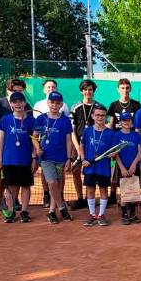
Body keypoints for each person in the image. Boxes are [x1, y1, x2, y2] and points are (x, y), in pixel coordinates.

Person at [0, 78, 32, 211]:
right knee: (0, 172)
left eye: (20, 91)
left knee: (18, 179)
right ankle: (1, 197)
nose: (17, 93)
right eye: (14, 90)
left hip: (21, 152)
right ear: (9, 90)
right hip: (3, 148)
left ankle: (14, 201)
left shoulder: (26, 106)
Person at [32, 91, 73, 224]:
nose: (54, 105)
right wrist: (37, 148)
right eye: (52, 102)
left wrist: (69, 158)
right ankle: (61, 207)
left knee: (58, 186)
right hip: (46, 157)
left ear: (61, 104)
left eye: (57, 103)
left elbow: (68, 140)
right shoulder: (41, 118)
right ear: (48, 103)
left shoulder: (66, 120)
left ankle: (51, 212)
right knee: (52, 182)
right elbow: (34, 136)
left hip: (61, 157)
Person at [0, 91, 37, 223]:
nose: (18, 104)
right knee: (11, 186)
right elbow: (1, 140)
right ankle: (11, 210)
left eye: (20, 101)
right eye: (14, 101)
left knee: (25, 186)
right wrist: (0, 159)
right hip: (9, 159)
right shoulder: (5, 120)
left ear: (24, 103)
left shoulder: (32, 121)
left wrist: (34, 158)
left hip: (25, 160)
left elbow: (34, 141)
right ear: (11, 104)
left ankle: (24, 211)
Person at [69, 80, 103, 210]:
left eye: (90, 90)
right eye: (86, 90)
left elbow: (101, 126)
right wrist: (78, 148)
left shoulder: (99, 107)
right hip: (77, 143)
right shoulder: (75, 107)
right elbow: (72, 130)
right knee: (76, 171)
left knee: (95, 171)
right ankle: (80, 198)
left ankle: (94, 198)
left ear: (93, 91)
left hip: (93, 145)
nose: (88, 92)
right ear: (82, 91)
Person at [79, 105, 114, 227]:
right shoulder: (88, 130)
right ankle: (92, 214)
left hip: (103, 168)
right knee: (90, 189)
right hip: (89, 167)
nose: (100, 117)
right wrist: (83, 159)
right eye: (97, 115)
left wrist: (113, 154)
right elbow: (81, 145)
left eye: (103, 115)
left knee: (103, 190)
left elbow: (112, 152)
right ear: (93, 116)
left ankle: (102, 214)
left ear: (106, 117)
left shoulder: (110, 133)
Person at [111, 112, 141, 225]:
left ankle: (133, 213)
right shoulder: (117, 135)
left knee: (134, 189)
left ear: (131, 122)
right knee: (124, 190)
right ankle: (124, 213)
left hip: (134, 167)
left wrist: (134, 165)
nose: (126, 122)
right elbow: (116, 154)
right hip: (122, 167)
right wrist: (122, 168)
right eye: (124, 120)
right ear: (120, 122)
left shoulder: (136, 135)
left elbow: (139, 152)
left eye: (128, 120)